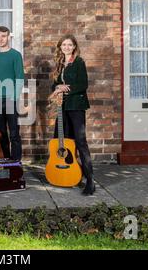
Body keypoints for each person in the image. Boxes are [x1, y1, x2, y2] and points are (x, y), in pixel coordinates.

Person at [50, 34, 95, 195]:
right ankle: (70, 173)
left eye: (70, 45)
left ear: (74, 46)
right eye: (64, 45)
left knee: (80, 142)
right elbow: (54, 84)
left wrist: (64, 88)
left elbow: (83, 84)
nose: (67, 47)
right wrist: (56, 88)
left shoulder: (78, 62)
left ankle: (90, 181)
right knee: (63, 142)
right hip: (62, 107)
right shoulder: (60, 63)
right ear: (60, 47)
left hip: (76, 106)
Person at [0, 26, 24, 161]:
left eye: (3, 36)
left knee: (14, 133)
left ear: (8, 37)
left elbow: (20, 78)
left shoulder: (15, 55)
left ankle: (16, 163)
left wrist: (14, 99)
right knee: (0, 134)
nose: (0, 39)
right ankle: (6, 161)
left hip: (10, 99)